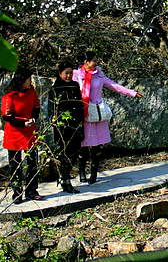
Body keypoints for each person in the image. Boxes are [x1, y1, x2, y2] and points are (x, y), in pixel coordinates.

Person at [73, 51, 143, 184]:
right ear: (86, 62)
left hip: (97, 113)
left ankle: (93, 174)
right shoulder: (76, 76)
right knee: (83, 144)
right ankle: (81, 172)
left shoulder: (99, 75)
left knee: (97, 146)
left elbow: (114, 86)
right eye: (93, 60)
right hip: (84, 113)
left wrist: (132, 93)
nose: (96, 62)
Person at [1, 68, 43, 204]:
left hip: (30, 131)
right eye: (28, 79)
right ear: (21, 81)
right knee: (15, 164)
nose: (30, 82)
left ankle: (32, 190)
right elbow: (8, 117)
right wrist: (22, 124)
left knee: (32, 162)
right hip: (14, 132)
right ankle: (17, 192)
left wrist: (34, 119)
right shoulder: (9, 96)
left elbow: (36, 108)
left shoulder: (31, 92)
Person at [49, 60, 84, 194]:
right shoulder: (55, 88)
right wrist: (56, 123)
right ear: (60, 73)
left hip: (76, 125)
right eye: (66, 73)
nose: (69, 76)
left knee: (75, 153)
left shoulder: (75, 85)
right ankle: (65, 180)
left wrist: (80, 122)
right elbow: (52, 109)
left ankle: (65, 177)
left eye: (71, 73)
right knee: (65, 154)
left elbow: (80, 105)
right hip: (62, 127)